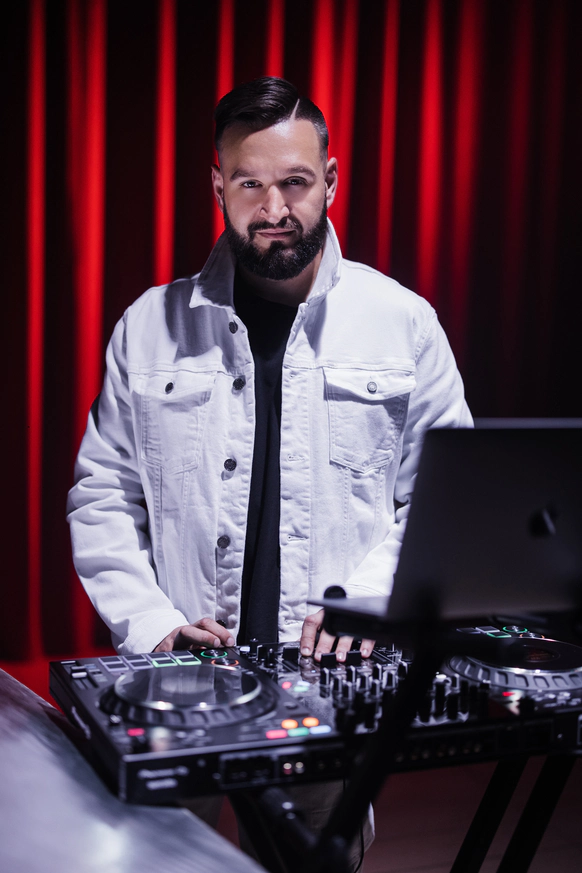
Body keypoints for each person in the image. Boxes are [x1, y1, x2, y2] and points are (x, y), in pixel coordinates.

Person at [67, 76, 472, 870]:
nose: (274, 207)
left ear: (331, 180)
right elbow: (102, 493)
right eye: (250, 184)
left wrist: (365, 602)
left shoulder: (405, 325)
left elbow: (444, 502)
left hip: (326, 677)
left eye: (294, 181)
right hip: (176, 678)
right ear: (218, 186)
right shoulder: (147, 326)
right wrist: (151, 625)